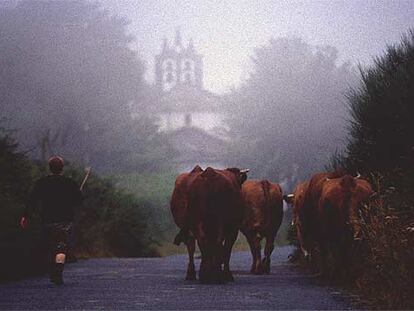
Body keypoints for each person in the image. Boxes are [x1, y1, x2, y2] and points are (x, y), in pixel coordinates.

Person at [20, 156, 83, 285]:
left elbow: (32, 200)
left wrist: (25, 216)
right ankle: (58, 270)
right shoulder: (70, 183)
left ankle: (51, 269)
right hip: (65, 220)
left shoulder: (42, 183)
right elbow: (79, 201)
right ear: (62, 168)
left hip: (47, 220)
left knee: (48, 246)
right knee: (61, 246)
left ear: (49, 167)